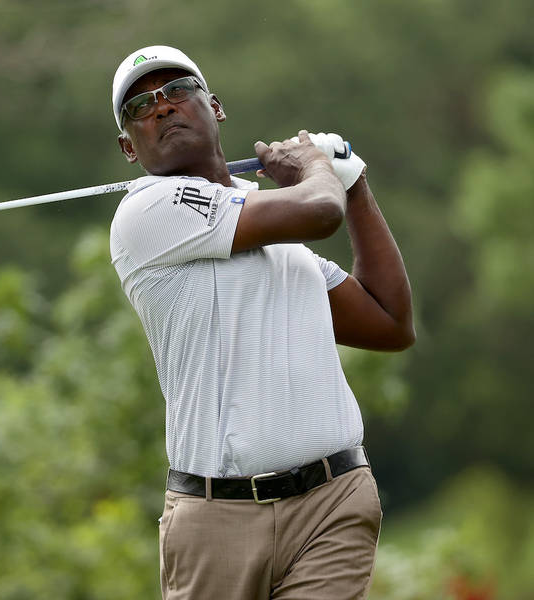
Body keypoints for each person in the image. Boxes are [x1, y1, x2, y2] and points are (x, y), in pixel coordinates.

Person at [108, 45, 415, 599]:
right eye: (140, 107)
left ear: (214, 107)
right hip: (215, 516)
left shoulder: (281, 238)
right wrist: (319, 169)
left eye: (177, 91)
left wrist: (357, 186)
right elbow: (320, 211)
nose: (162, 108)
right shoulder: (146, 210)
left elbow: (390, 323)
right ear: (130, 147)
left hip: (332, 504)